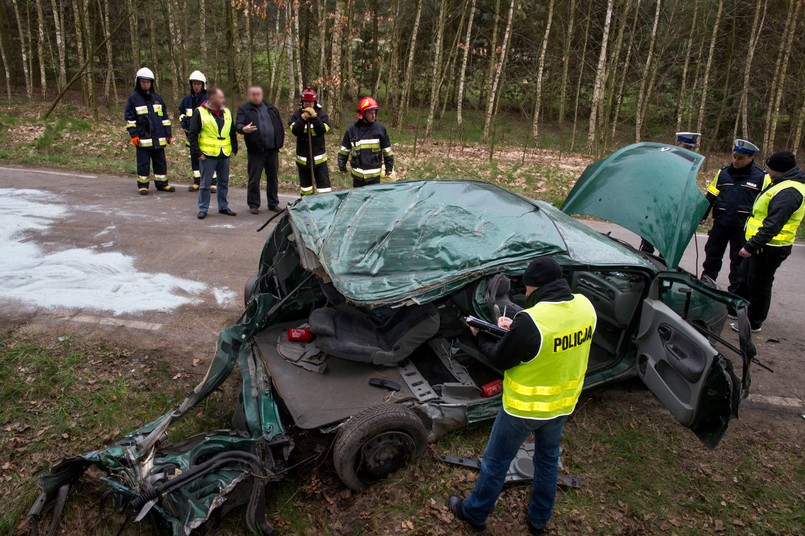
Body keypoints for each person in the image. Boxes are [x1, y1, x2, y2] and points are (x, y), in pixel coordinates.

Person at [448, 257, 597, 535]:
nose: (525, 294)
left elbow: (500, 357)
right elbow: (554, 341)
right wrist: (513, 331)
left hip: (522, 411)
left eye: (528, 289)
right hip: (562, 405)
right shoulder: (586, 306)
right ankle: (539, 520)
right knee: (548, 460)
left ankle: (475, 513)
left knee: (496, 462)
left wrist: (481, 333)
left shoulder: (531, 322)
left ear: (536, 287)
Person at [732, 151, 805, 333]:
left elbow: (773, 225)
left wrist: (751, 246)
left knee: (759, 285)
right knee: (745, 279)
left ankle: (753, 322)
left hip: (770, 247)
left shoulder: (789, 191)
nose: (767, 170)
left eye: (769, 166)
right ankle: (741, 313)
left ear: (777, 169)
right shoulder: (782, 183)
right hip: (762, 245)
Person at [701, 139, 770, 294]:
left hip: (742, 227)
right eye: (734, 157)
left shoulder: (761, 177)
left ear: (750, 158)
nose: (735, 161)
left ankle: (734, 297)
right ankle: (706, 289)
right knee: (711, 257)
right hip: (721, 223)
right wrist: (701, 215)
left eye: (740, 158)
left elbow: (767, 203)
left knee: (738, 264)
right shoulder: (723, 173)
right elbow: (711, 196)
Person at [639, 132, 703, 254]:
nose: (689, 150)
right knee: (648, 240)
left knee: (668, 242)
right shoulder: (665, 157)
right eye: (687, 147)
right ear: (678, 143)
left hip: (674, 207)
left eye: (691, 148)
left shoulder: (691, 163)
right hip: (657, 204)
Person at [187, 87, 238, 219]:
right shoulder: (200, 112)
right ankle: (203, 208)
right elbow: (192, 134)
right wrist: (197, 152)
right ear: (211, 99)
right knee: (205, 183)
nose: (223, 100)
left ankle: (223, 206)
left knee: (223, 182)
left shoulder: (227, 112)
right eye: (220, 98)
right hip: (207, 154)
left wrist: (234, 148)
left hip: (224, 153)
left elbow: (232, 132)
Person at [124, 67, 175, 195]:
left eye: (148, 82)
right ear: (138, 82)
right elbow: (130, 120)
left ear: (152, 83)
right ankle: (143, 185)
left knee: (160, 162)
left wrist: (168, 135)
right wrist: (134, 135)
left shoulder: (157, 98)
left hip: (158, 138)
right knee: (143, 163)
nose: (146, 84)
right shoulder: (133, 99)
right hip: (143, 139)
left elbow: (165, 119)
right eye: (143, 82)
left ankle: (162, 184)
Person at [235, 85, 285, 214]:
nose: (256, 96)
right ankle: (253, 204)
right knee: (254, 178)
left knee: (273, 178)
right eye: (253, 94)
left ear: (262, 95)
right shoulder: (244, 109)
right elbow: (238, 124)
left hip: (272, 149)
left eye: (258, 94)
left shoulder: (271, 108)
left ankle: (273, 203)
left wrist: (279, 142)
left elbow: (279, 125)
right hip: (255, 150)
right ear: (249, 95)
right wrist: (243, 129)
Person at [337, 96, 394, 187]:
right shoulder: (352, 130)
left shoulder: (380, 129)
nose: (373, 115)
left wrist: (389, 168)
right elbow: (344, 150)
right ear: (362, 114)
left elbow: (387, 150)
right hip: (358, 176)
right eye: (370, 113)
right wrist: (342, 166)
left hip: (374, 176)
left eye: (374, 112)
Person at [177, 70, 216, 193]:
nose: (196, 86)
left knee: (208, 159)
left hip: (206, 136)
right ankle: (197, 182)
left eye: (198, 84)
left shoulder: (209, 99)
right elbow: (181, 113)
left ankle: (212, 182)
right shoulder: (187, 99)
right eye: (194, 84)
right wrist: (183, 122)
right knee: (195, 158)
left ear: (203, 85)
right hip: (192, 136)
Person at [289, 87, 332, 196]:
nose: (308, 104)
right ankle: (306, 208)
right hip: (303, 160)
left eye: (310, 102)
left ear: (315, 102)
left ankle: (325, 209)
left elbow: (322, 130)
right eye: (306, 101)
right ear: (302, 102)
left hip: (319, 160)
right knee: (306, 189)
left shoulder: (322, 115)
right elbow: (295, 131)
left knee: (324, 189)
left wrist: (314, 117)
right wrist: (303, 118)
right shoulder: (297, 115)